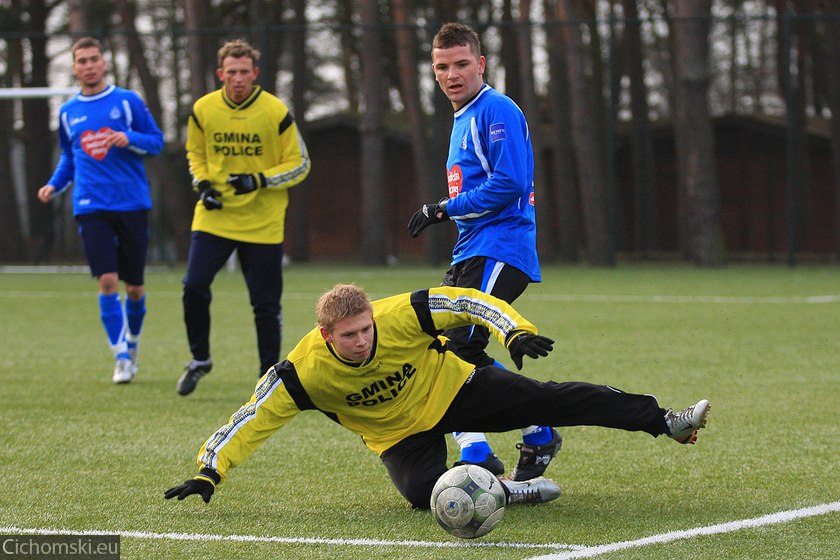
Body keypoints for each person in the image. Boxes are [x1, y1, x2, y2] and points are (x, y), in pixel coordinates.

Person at [165, 284, 711, 510]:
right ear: (327, 337)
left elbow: (471, 301)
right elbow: (252, 417)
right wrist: (210, 470)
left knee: (552, 398)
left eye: (365, 330)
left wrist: (514, 330)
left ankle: (665, 420)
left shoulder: (400, 315)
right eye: (348, 336)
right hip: (396, 435)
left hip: (454, 388)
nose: (361, 341)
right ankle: (507, 489)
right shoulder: (300, 373)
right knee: (426, 496)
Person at [408, 22, 555, 480]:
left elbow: (510, 182)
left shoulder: (497, 110)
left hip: (502, 248)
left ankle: (481, 453)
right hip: (473, 250)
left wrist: (442, 209)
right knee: (445, 349)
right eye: (442, 67)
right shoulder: (462, 118)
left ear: (481, 64)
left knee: (458, 349)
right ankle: (533, 430)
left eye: (461, 64)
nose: (452, 74)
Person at [177, 39, 311, 396]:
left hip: (263, 222)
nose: (238, 78)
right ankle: (200, 358)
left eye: (244, 72)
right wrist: (202, 184)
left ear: (255, 74)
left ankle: (267, 377)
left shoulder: (275, 110)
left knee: (265, 304)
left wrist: (260, 179)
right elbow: (195, 153)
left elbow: (300, 163)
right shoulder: (203, 109)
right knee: (193, 286)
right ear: (221, 74)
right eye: (231, 72)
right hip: (214, 218)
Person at [38, 36, 164, 384]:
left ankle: (133, 343)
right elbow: (69, 155)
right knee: (107, 280)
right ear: (75, 67)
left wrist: (130, 138)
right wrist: (55, 183)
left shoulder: (127, 102)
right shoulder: (68, 112)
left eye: (94, 59)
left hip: (132, 204)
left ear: (103, 62)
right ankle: (120, 356)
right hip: (90, 205)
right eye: (82, 61)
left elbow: (156, 141)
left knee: (134, 288)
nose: (89, 66)